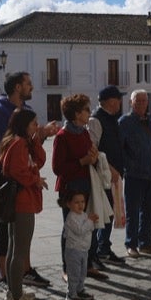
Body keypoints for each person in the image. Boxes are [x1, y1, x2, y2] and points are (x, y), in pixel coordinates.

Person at [0, 71, 53, 290]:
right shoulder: (0, 111)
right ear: (17, 87)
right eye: (28, 83)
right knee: (6, 229)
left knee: (21, 237)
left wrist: (39, 135)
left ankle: (23, 271)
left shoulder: (27, 112)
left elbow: (35, 154)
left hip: (24, 179)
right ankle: (5, 277)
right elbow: (4, 146)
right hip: (8, 180)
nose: (32, 87)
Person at [51, 93, 109, 282]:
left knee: (89, 225)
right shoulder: (62, 136)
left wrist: (93, 156)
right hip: (70, 188)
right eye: (86, 109)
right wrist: (82, 161)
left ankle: (88, 264)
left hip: (86, 185)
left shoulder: (84, 132)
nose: (89, 112)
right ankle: (67, 268)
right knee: (72, 228)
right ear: (76, 114)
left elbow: (89, 154)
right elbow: (57, 168)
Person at [0, 109, 47, 300]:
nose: (36, 126)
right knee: (19, 250)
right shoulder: (18, 143)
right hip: (22, 201)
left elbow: (40, 160)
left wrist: (36, 139)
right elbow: (18, 172)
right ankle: (16, 298)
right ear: (24, 124)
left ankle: (14, 292)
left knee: (14, 249)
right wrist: (36, 179)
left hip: (22, 200)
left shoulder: (21, 141)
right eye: (33, 123)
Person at [117, 89, 151, 257]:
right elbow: (120, 149)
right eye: (138, 101)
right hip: (134, 174)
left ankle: (146, 241)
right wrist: (129, 165)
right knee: (133, 210)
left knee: (150, 208)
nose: (141, 104)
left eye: (144, 101)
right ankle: (131, 243)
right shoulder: (125, 122)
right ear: (131, 103)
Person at [89, 86, 128, 266]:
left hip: (113, 176)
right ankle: (97, 250)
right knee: (101, 213)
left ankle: (104, 248)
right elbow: (93, 149)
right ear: (110, 101)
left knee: (110, 212)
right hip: (103, 176)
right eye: (118, 99)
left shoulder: (113, 119)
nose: (120, 102)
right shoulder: (96, 120)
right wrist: (110, 168)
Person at [60, 188, 98, 300]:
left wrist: (91, 221)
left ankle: (80, 290)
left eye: (82, 202)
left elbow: (89, 228)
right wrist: (90, 222)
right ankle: (70, 294)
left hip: (83, 250)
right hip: (73, 250)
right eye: (77, 202)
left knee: (82, 272)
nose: (80, 205)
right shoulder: (71, 217)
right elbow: (80, 230)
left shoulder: (83, 215)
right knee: (74, 273)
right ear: (69, 204)